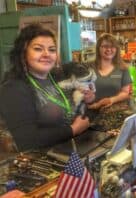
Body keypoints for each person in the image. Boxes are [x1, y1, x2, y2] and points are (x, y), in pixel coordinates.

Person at [0, 24, 95, 152]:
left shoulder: (54, 77)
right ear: (23, 52)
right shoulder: (13, 88)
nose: (47, 54)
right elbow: (26, 140)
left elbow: (69, 108)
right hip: (35, 162)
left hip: (66, 150)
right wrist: (73, 129)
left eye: (51, 50)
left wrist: (88, 99)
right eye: (38, 49)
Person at [88, 33, 132, 109]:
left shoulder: (123, 68)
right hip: (90, 111)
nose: (109, 49)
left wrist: (111, 100)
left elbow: (125, 92)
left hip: (114, 110)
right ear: (98, 48)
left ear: (116, 49)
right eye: (105, 46)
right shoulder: (88, 67)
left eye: (112, 47)